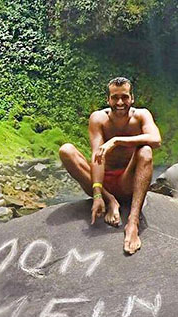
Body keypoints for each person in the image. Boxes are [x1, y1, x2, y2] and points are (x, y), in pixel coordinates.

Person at [58, 77, 161, 255]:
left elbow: (156, 140)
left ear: (132, 98)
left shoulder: (141, 115)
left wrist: (117, 141)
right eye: (115, 98)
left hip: (127, 182)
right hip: (102, 182)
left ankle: (133, 222)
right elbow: (97, 157)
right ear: (108, 99)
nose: (120, 102)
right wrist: (98, 194)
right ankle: (110, 200)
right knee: (66, 150)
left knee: (145, 151)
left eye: (125, 97)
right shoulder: (99, 119)